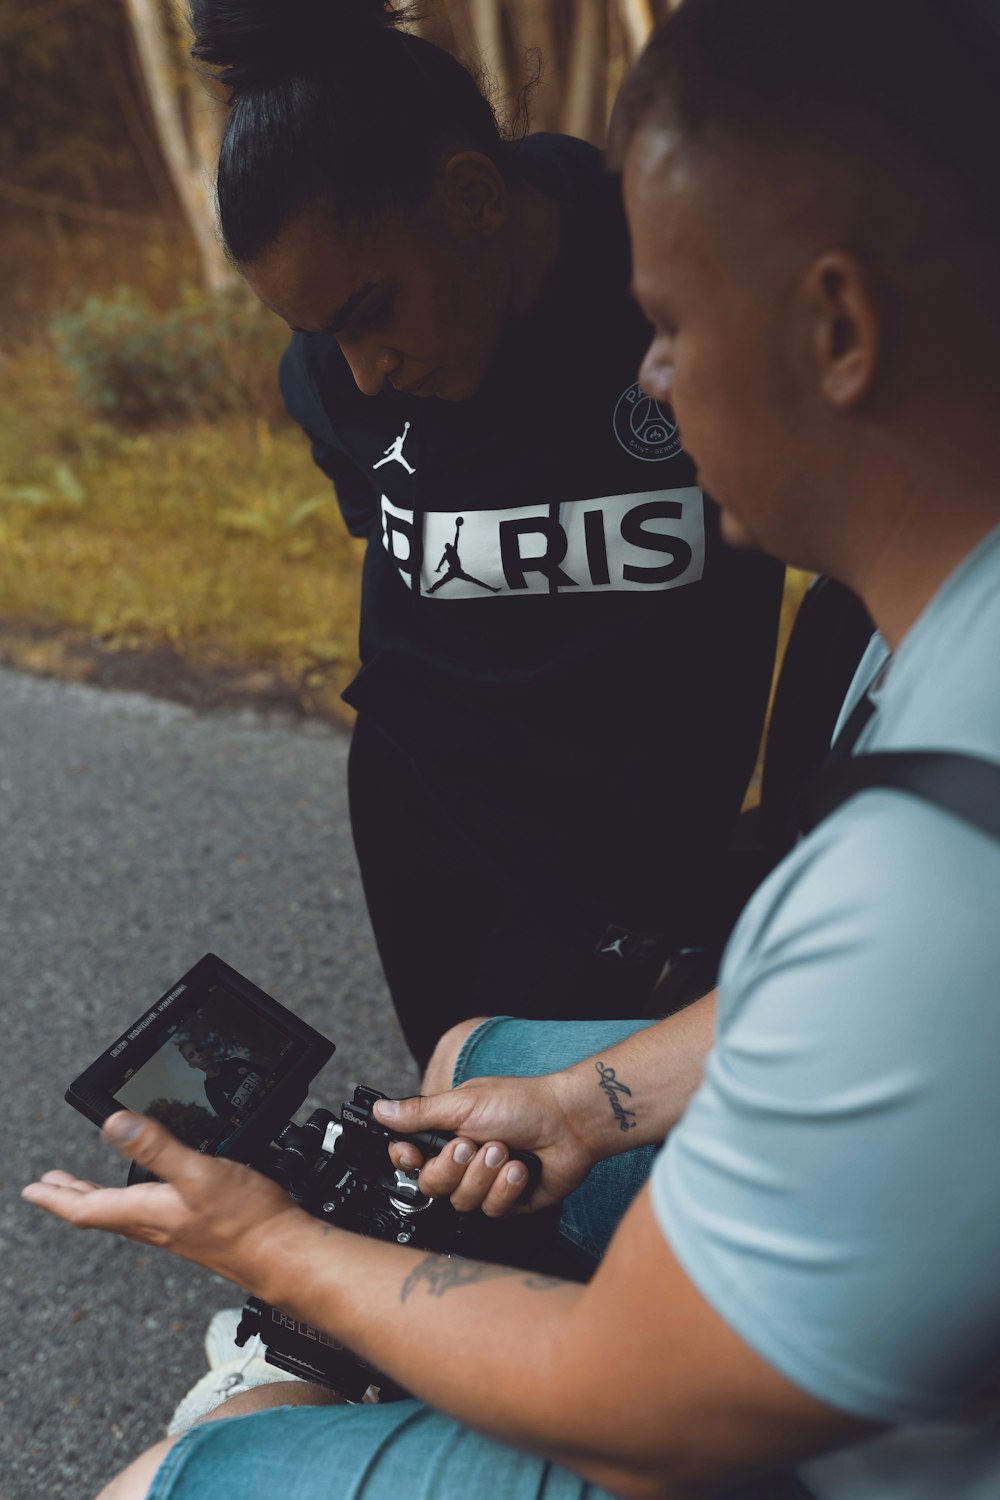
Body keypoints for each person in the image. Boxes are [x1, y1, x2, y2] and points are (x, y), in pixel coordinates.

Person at [23, 1, 1000, 1496]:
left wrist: (278, 1244)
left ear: (839, 328)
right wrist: (583, 1105)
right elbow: (837, 1002)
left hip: (815, 1437)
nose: (653, 382)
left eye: (669, 326)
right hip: (552, 886)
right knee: (472, 1069)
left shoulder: (913, 875)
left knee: (182, 1467)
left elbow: (649, 1411)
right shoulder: (909, 671)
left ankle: (262, 1397)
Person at [187, 0, 783, 1066]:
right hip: (433, 842)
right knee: (484, 1152)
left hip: (653, 847)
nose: (362, 369)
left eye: (371, 311)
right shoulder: (334, 377)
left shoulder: (673, 272)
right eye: (321, 333)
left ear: (471, 197)